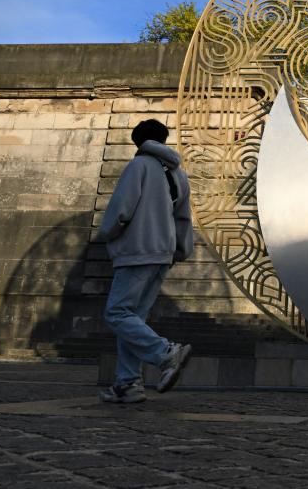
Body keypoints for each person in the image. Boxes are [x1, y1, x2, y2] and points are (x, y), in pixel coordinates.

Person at [96, 119, 195, 404]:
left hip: (137, 250)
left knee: (117, 314)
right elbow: (184, 218)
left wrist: (108, 234)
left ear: (138, 142)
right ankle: (128, 382)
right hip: (163, 253)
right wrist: (179, 250)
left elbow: (121, 209)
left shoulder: (139, 166)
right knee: (133, 319)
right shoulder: (179, 175)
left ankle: (165, 352)